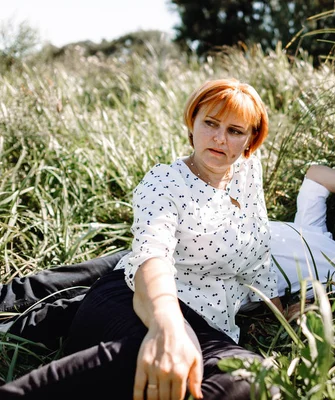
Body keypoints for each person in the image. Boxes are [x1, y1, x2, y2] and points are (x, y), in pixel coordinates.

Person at [0, 159, 335, 398]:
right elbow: (316, 175)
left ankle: (18, 332)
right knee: (53, 282)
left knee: (67, 312)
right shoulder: (313, 229)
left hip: (200, 289)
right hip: (181, 243)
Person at [0, 78, 281, 400]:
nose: (219, 138)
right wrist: (167, 325)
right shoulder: (164, 181)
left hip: (210, 327)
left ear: (251, 140)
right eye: (211, 123)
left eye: (235, 130)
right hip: (138, 299)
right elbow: (153, 255)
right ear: (193, 123)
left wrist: (280, 310)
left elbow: (258, 248)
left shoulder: (247, 171)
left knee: (253, 377)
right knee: (150, 351)